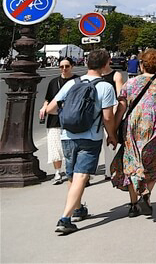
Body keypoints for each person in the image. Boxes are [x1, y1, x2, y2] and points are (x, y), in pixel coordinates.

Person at [45, 49, 118, 234]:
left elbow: (51, 109)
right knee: (81, 176)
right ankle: (65, 218)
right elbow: (108, 118)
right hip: (90, 137)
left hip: (67, 136)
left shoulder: (72, 83)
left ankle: (77, 209)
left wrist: (68, 114)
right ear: (105, 65)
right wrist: (112, 135)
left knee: (72, 175)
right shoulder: (105, 87)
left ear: (86, 64)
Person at [109, 48, 156, 218]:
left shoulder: (130, 83)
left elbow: (121, 109)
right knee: (152, 163)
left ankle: (134, 205)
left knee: (132, 164)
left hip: (132, 127)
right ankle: (146, 193)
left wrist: (112, 132)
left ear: (142, 64)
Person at [39, 57, 77, 185]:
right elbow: (48, 99)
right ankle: (57, 173)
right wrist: (44, 107)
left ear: (72, 66)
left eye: (67, 66)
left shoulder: (77, 81)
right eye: (61, 67)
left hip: (72, 119)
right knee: (55, 147)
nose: (64, 69)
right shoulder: (54, 82)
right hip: (54, 119)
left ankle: (72, 172)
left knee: (72, 148)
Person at [99, 58, 126, 178]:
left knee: (109, 143)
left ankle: (110, 171)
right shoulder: (96, 75)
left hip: (110, 112)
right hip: (96, 114)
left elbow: (120, 96)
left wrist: (115, 113)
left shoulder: (116, 75)